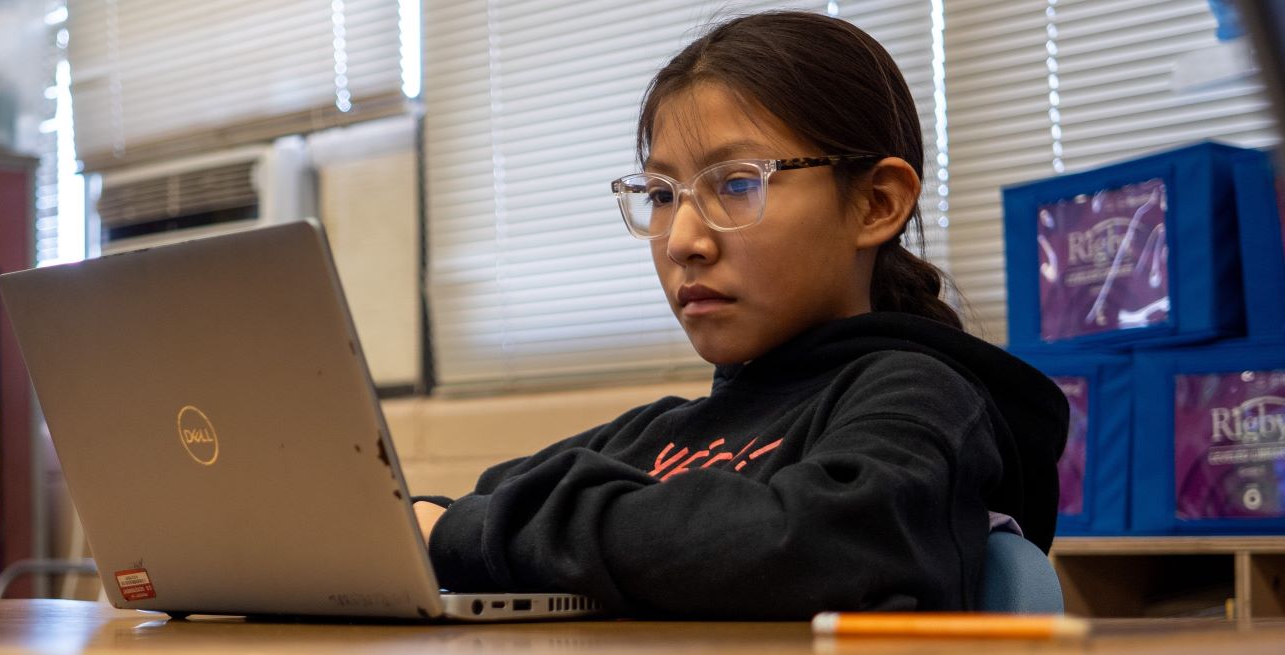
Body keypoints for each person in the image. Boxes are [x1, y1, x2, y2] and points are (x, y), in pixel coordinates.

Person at [410, 11, 1067, 619]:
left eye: (737, 182)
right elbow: (475, 506)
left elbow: (808, 545)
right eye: (663, 194)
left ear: (875, 204)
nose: (681, 240)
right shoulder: (654, 433)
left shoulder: (924, 400)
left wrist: (470, 531)